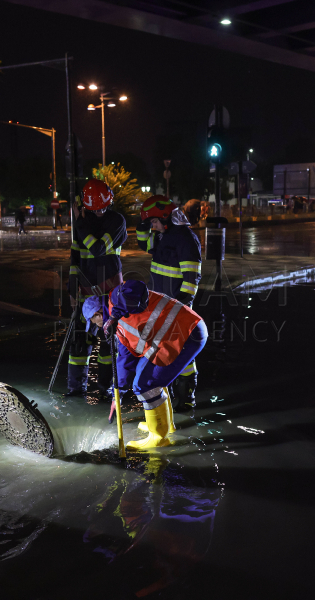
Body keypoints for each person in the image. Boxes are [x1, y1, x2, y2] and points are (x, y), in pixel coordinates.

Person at [82, 280, 208, 449]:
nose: (97, 326)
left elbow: (136, 287)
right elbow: (126, 359)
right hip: (175, 334)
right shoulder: (118, 327)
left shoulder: (116, 297)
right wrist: (117, 394)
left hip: (186, 332)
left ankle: (158, 438)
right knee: (145, 374)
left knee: (145, 384)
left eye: (94, 321)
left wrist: (114, 315)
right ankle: (166, 425)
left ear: (98, 313)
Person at [136, 196, 202, 410]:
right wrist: (143, 225)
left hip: (177, 308)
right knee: (161, 351)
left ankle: (185, 401)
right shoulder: (162, 235)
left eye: (153, 222)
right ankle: (169, 400)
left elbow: (192, 279)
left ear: (165, 217)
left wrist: (181, 308)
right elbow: (143, 244)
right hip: (160, 306)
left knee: (182, 355)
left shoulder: (185, 238)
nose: (153, 227)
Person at [65, 179, 128, 397]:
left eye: (103, 207)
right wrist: (72, 291)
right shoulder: (84, 222)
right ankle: (75, 390)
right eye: (95, 209)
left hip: (112, 295)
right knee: (79, 344)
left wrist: (80, 224)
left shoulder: (116, 221)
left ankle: (104, 389)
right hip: (84, 294)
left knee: (109, 344)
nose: (100, 211)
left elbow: (98, 249)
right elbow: (75, 260)